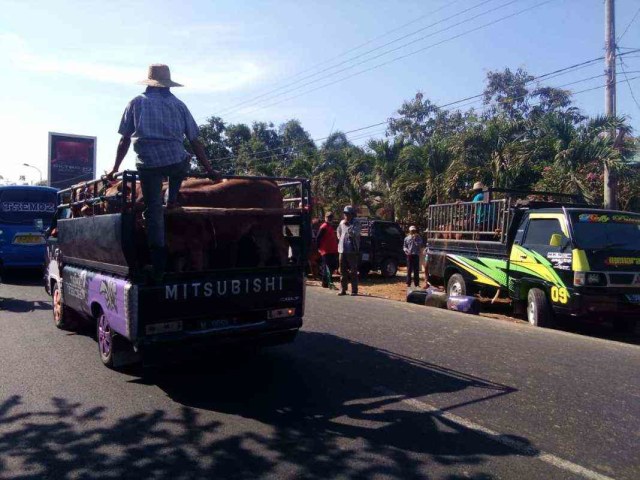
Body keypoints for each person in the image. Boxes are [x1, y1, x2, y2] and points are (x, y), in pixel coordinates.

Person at [107, 64, 219, 281]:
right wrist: (209, 170)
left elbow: (125, 139)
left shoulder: (136, 103)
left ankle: (158, 264)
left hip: (148, 164)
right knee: (183, 160)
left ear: (149, 84)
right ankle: (173, 197)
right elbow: (195, 140)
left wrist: (115, 168)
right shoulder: (179, 105)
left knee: (153, 213)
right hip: (176, 161)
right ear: (168, 85)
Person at [336, 206, 361, 296]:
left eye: (347, 214)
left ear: (352, 215)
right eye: (345, 214)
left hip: (352, 250)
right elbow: (338, 231)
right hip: (342, 250)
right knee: (342, 271)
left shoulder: (356, 223)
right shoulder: (342, 222)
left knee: (353, 271)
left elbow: (356, 233)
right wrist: (340, 237)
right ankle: (343, 289)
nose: (346, 215)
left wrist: (349, 227)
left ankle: (354, 290)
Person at [316, 212, 339, 288]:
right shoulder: (324, 226)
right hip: (326, 251)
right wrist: (319, 248)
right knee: (327, 268)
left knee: (331, 267)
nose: (329, 219)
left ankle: (327, 282)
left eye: (331, 217)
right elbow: (318, 238)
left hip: (332, 250)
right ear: (325, 218)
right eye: (328, 217)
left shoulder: (330, 226)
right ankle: (326, 283)